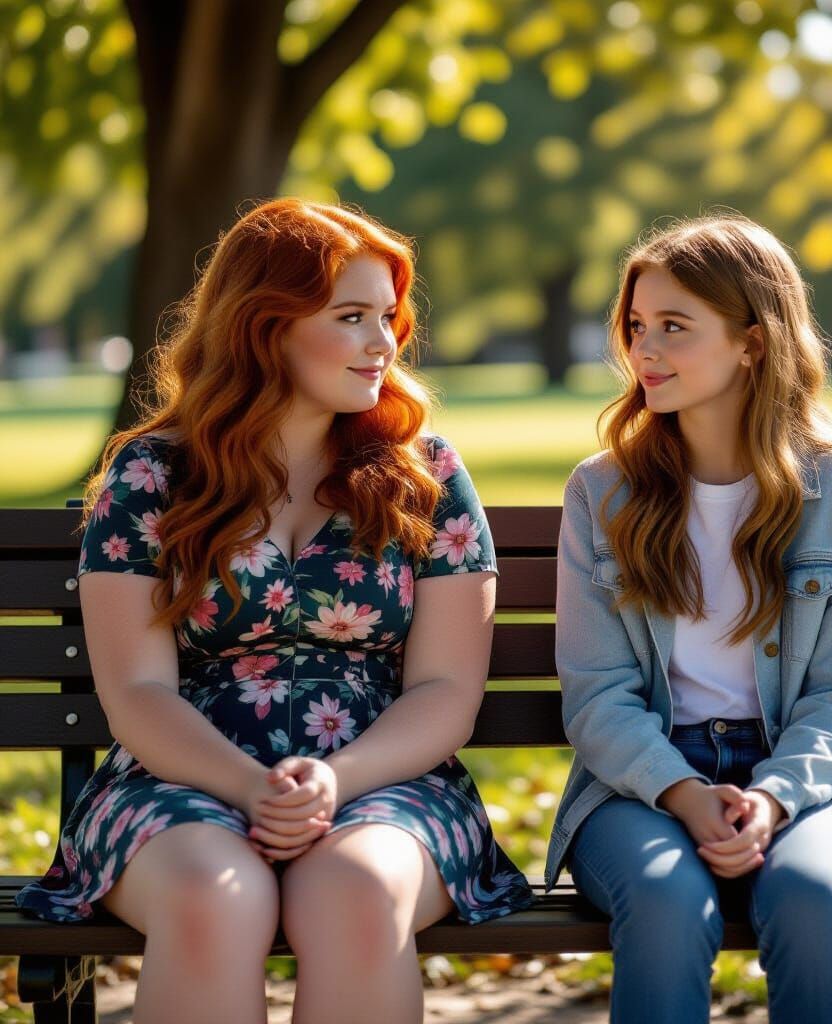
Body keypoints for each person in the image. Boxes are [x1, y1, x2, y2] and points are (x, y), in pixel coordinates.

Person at [15, 198, 534, 1024]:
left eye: (389, 317)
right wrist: (249, 787)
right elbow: (137, 693)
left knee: (357, 893)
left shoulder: (423, 474)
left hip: (386, 779)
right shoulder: (153, 476)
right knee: (214, 896)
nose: (383, 343)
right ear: (266, 325)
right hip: (177, 777)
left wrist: (333, 781)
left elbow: (444, 687)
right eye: (352, 315)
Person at [543, 212, 832, 1024]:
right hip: (640, 782)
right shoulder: (601, 494)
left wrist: (774, 796)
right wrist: (682, 792)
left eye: (675, 327)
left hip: (809, 783)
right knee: (668, 901)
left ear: (753, 340)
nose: (644, 351)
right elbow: (598, 695)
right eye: (637, 326)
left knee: (813, 896)